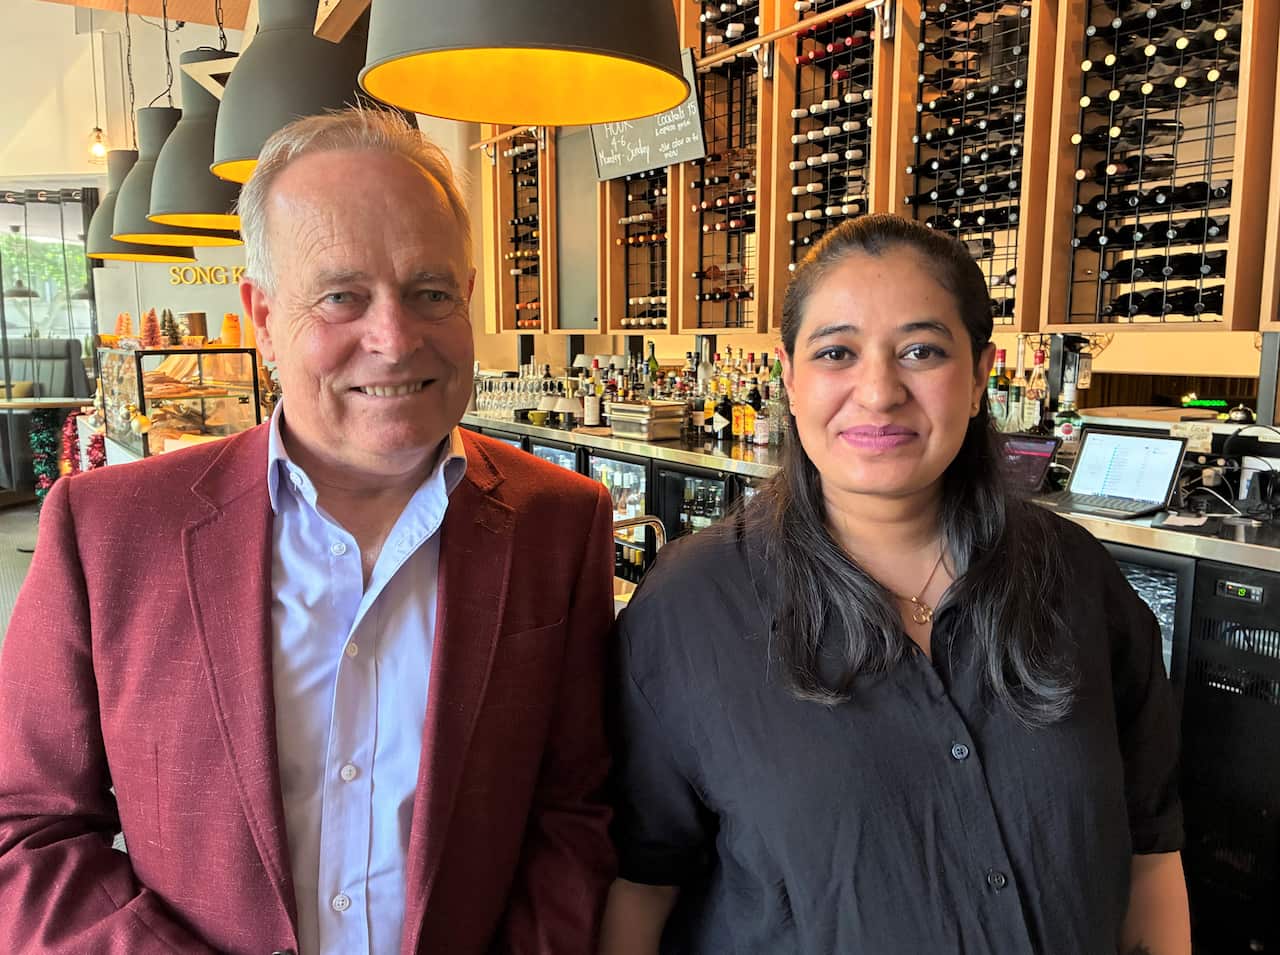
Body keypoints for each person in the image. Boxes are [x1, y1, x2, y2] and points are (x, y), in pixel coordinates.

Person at [0, 108, 617, 954]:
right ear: (260, 315)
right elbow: (25, 829)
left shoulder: (562, 522)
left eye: (430, 291)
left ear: (468, 296)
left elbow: (572, 812)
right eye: (342, 296)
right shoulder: (106, 530)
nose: (394, 338)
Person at [601, 214, 1190, 955]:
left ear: (980, 375)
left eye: (921, 350)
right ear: (789, 377)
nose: (878, 392)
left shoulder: (1076, 577)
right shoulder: (690, 609)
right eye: (836, 352)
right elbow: (644, 885)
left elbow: (1151, 854)